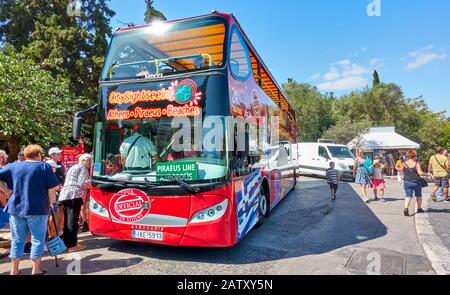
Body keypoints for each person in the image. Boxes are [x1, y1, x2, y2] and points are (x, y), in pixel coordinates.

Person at [0, 145, 60, 275]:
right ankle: (35, 270)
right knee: (37, 239)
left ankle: (14, 270)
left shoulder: (14, 166)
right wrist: (52, 203)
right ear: (38, 154)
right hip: (38, 208)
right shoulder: (44, 167)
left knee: (17, 239)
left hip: (16, 208)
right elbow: (52, 188)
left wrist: (6, 192)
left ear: (26, 155)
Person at [58, 154, 92, 252]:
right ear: (84, 161)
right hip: (74, 195)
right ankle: (72, 245)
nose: (90, 163)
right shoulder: (83, 168)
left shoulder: (73, 167)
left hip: (64, 195)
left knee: (68, 221)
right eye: (90, 160)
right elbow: (83, 184)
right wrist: (93, 182)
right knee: (72, 221)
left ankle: (68, 243)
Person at [403, 150, 431, 216]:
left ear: (407, 155)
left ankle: (406, 208)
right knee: (418, 196)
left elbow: (402, 171)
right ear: (414, 156)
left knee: (408, 196)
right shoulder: (416, 164)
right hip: (416, 182)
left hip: (407, 181)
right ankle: (419, 208)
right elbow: (420, 173)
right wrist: (427, 174)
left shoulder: (404, 163)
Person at [47, 147, 66, 233]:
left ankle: (58, 231)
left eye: (60, 154)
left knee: (59, 212)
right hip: (54, 193)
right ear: (52, 155)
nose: (60, 156)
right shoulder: (49, 165)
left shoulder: (59, 164)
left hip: (60, 191)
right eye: (57, 154)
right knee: (54, 213)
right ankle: (53, 233)